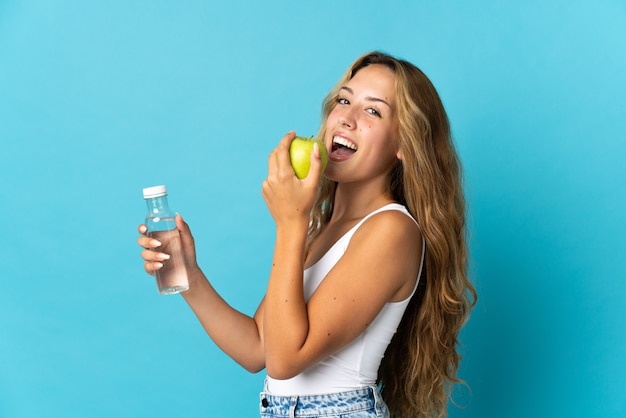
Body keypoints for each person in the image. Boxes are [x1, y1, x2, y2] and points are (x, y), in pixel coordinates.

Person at [138, 51, 476, 418]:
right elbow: (257, 349)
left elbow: (285, 361)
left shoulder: (392, 230)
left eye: (373, 110)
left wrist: (289, 223)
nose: (346, 118)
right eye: (344, 101)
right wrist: (189, 276)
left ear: (403, 146)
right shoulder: (320, 228)